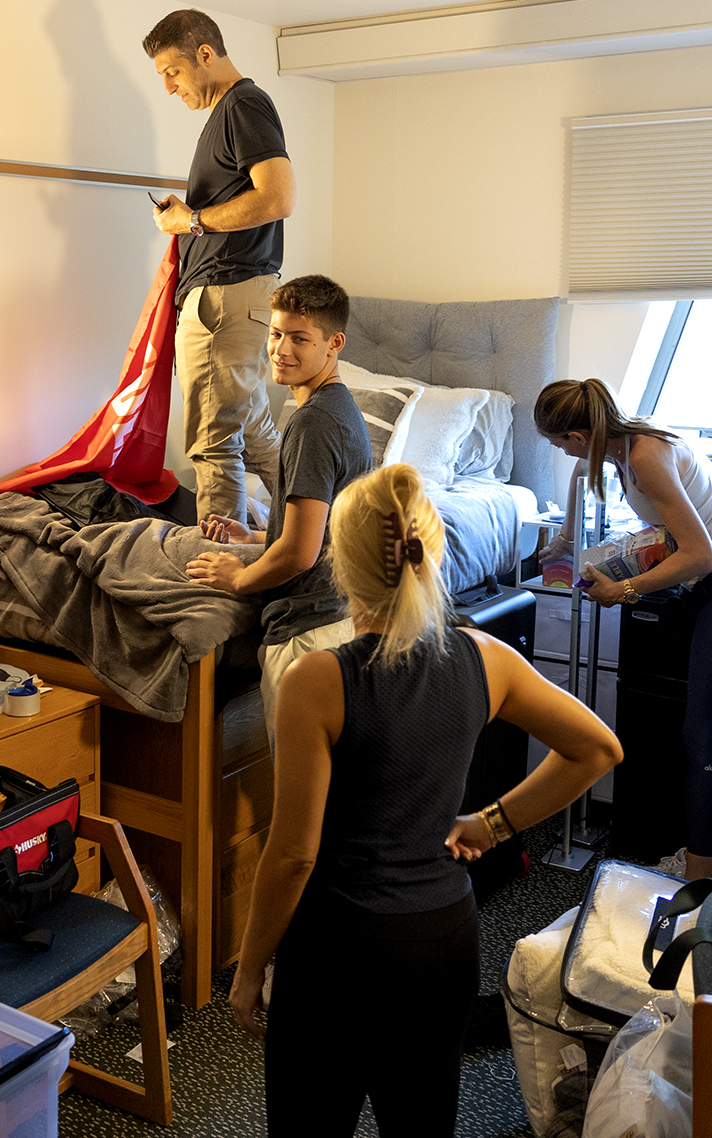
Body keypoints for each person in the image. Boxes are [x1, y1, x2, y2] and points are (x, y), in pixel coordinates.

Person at [227, 463, 622, 1138]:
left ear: (338, 565)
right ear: (430, 553)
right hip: (441, 938)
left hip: (336, 951)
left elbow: (293, 856)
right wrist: (493, 825)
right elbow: (597, 749)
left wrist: (250, 968)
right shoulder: (485, 658)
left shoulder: (315, 681)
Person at [534, 377, 712, 879]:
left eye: (558, 442)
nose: (560, 453)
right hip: (705, 584)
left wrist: (626, 591)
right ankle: (703, 862)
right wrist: (566, 543)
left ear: (579, 435)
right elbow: (579, 479)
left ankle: (699, 876)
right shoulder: (620, 446)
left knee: (702, 735)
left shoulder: (645, 458)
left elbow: (701, 552)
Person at [185, 275, 372, 746]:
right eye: (275, 333)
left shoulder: (313, 423)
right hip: (339, 619)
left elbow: (300, 554)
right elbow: (324, 531)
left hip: (308, 631)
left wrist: (238, 577)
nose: (280, 350)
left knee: (301, 799)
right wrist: (255, 538)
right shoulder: (340, 408)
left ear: (334, 344)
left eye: (300, 339)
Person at [142, 9, 296, 524]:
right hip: (237, 296)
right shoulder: (230, 113)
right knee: (254, 433)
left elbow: (277, 198)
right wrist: (189, 219)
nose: (168, 87)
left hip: (225, 298)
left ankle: (220, 578)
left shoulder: (242, 104)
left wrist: (193, 222)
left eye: (172, 71)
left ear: (205, 54)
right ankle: (317, 542)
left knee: (213, 441)